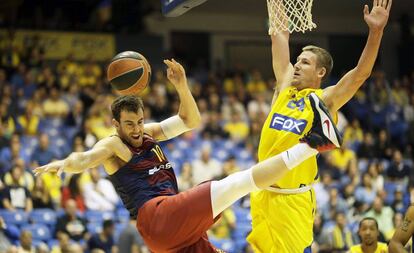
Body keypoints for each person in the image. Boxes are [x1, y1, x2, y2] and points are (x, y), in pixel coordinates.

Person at [34, 58, 342, 252]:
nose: (137, 128)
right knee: (237, 184)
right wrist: (64, 163)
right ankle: (312, 144)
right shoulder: (113, 144)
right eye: (129, 124)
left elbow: (189, 121)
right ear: (116, 124)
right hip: (157, 216)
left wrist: (182, 86)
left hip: (172, 238)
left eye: (140, 121)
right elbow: (86, 158)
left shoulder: (148, 133)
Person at [247, 0, 392, 252]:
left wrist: (376, 32)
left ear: (321, 72)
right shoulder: (284, 88)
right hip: (261, 192)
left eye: (304, 62)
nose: (297, 65)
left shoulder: (325, 99)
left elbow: (360, 74)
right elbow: (279, 34)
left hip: (292, 200)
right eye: (298, 60)